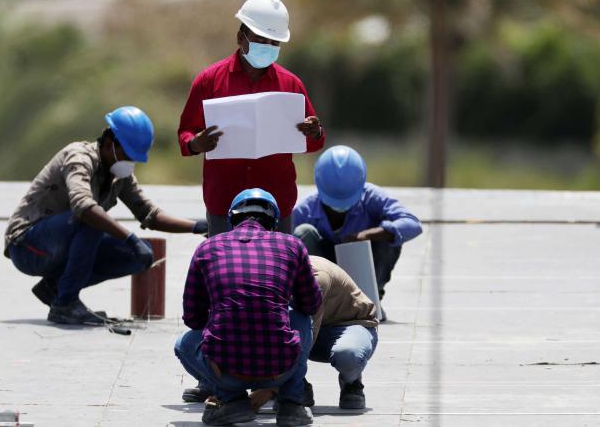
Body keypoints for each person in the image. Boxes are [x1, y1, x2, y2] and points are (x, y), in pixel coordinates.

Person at [4, 106, 208, 325]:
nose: (130, 162)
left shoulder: (120, 175)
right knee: (92, 218)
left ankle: (56, 288)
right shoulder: (79, 157)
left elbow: (149, 213)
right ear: (110, 143)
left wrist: (196, 226)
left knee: (140, 255)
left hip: (58, 246)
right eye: (127, 155)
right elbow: (83, 206)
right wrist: (129, 237)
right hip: (27, 246)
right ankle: (65, 304)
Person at [177, 0, 326, 237]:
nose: (268, 48)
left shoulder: (292, 85)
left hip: (277, 206)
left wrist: (315, 131)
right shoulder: (209, 81)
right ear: (240, 37)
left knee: (278, 274)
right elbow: (185, 133)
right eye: (261, 40)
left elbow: (314, 141)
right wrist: (195, 143)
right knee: (225, 274)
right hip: (223, 205)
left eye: (274, 43)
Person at [174, 188, 322, 426]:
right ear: (273, 222)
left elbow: (193, 318)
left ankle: (231, 399)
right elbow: (311, 304)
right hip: (280, 368)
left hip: (224, 371)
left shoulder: (207, 248)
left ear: (232, 220)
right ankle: (292, 404)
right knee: (302, 319)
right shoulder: (293, 246)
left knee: (183, 343)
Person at [293, 145, 423, 305]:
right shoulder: (304, 211)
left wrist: (368, 235)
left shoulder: (373, 197)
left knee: (389, 235)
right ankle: (318, 301)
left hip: (364, 281)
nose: (339, 208)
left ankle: (369, 301)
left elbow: (412, 223)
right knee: (302, 233)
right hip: (325, 283)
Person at [250, 256, 379, 411]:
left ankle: (352, 382)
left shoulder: (317, 278)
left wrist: (271, 388)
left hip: (350, 324)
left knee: (348, 355)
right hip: (311, 329)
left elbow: (307, 336)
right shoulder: (267, 275)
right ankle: (300, 386)